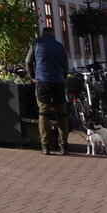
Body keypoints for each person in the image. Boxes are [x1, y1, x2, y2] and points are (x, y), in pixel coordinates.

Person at [25, 25, 69, 156]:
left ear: (42, 34)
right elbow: (66, 65)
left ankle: (45, 145)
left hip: (43, 80)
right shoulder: (60, 46)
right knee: (62, 113)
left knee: (43, 112)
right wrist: (62, 77)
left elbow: (28, 61)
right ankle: (64, 145)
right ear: (53, 34)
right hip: (58, 81)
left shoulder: (37, 43)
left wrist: (33, 76)